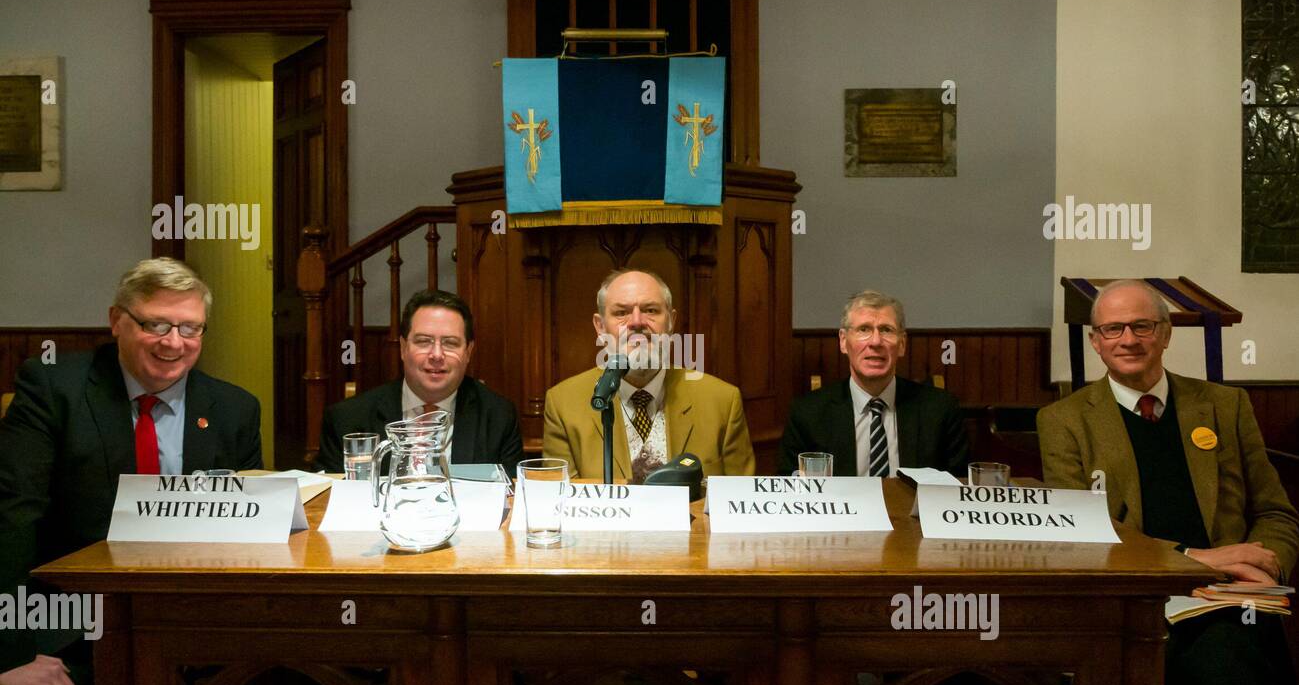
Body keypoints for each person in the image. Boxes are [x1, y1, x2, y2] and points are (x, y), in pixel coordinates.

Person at [0, 258, 262, 685]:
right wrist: (9, 656)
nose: (173, 342)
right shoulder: (53, 388)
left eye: (190, 328)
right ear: (117, 321)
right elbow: (13, 519)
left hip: (198, 619)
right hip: (69, 620)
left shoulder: (235, 409)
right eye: (155, 324)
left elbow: (245, 534)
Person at [1038, 279, 1298, 685]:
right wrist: (1189, 558)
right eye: (1113, 329)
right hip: (1131, 601)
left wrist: (1268, 564)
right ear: (1096, 342)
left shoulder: (1225, 405)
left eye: (1142, 326)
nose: (1129, 340)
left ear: (1165, 333)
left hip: (1228, 598)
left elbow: (1277, 513)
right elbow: (1081, 532)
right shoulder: (1064, 420)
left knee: (1229, 673)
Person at [543, 269, 755, 481]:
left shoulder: (723, 401)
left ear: (671, 321)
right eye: (621, 313)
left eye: (651, 310)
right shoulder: (563, 404)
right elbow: (560, 502)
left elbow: (739, 500)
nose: (636, 322)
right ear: (600, 326)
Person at [317, 290, 523, 474]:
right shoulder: (347, 420)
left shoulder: (498, 417)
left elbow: (511, 501)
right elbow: (325, 502)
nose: (436, 354)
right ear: (403, 348)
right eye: (424, 341)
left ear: (468, 352)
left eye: (450, 343)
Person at [778, 289, 968, 478]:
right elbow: (790, 489)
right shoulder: (808, 413)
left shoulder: (940, 410)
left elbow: (958, 489)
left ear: (901, 344)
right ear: (843, 341)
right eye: (864, 329)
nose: (876, 341)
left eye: (886, 330)